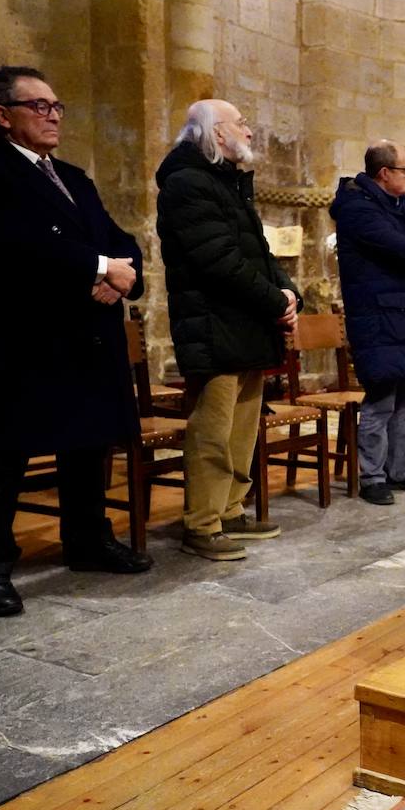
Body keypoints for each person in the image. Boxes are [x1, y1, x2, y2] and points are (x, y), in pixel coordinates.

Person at [0, 65, 152, 616]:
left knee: (88, 443)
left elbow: (119, 238)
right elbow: (9, 245)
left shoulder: (74, 177)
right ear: (2, 115)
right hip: (31, 334)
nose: (54, 115)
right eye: (40, 106)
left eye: (57, 106)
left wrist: (116, 272)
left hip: (90, 332)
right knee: (7, 453)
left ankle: (85, 539)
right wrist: (103, 265)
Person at [156, 100, 301, 561]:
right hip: (214, 325)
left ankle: (232, 509)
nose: (250, 132)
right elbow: (219, 262)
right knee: (212, 432)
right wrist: (274, 300)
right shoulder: (187, 185)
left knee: (242, 429)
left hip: (245, 324)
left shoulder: (227, 182)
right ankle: (202, 523)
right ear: (216, 133)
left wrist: (289, 292)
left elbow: (258, 252)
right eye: (241, 124)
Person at [329, 139, 405, 506]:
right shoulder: (358, 210)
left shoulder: (394, 205)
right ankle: (373, 476)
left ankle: (400, 469)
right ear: (384, 173)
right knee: (381, 401)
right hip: (379, 317)